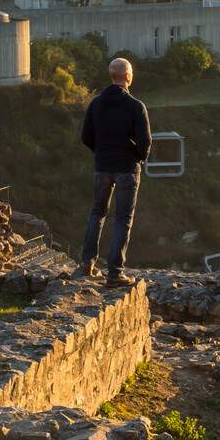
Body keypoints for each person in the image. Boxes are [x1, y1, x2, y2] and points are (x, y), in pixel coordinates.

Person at [74, 55, 151, 283]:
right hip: (127, 168)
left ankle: (87, 263)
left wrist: (102, 152)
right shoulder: (136, 106)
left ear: (112, 76)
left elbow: (86, 136)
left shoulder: (96, 103)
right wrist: (137, 157)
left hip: (102, 166)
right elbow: (145, 142)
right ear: (128, 77)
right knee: (122, 218)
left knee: (97, 213)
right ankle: (115, 272)